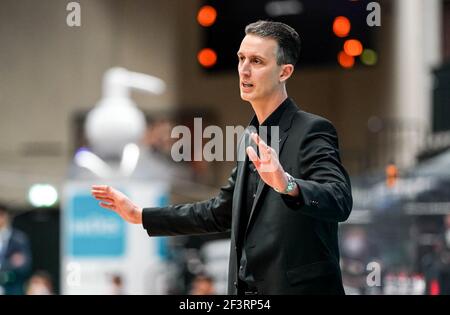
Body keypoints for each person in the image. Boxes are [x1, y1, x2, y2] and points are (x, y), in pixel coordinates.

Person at [92, 20, 353, 295]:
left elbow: (339, 199)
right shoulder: (250, 137)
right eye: (241, 58)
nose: (244, 70)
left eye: (257, 61)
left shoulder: (312, 130)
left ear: (284, 72)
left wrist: (286, 184)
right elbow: (220, 212)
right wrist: (141, 215)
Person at [0, 203, 32, 295]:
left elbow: (24, 266)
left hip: (12, 287)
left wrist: (4, 266)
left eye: (1, 215)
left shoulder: (19, 239)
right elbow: (15, 262)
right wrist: (11, 262)